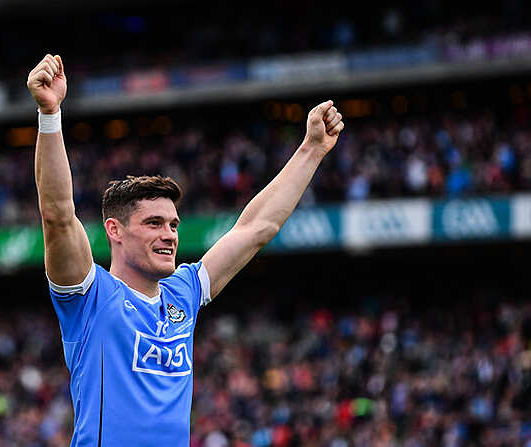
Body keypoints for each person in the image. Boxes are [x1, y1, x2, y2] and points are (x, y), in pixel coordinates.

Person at [27, 53, 344, 447]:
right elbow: (57, 215)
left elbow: (256, 228)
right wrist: (50, 114)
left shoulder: (184, 291)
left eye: (174, 224)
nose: (170, 235)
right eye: (154, 223)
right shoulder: (89, 296)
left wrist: (311, 150)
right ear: (115, 231)